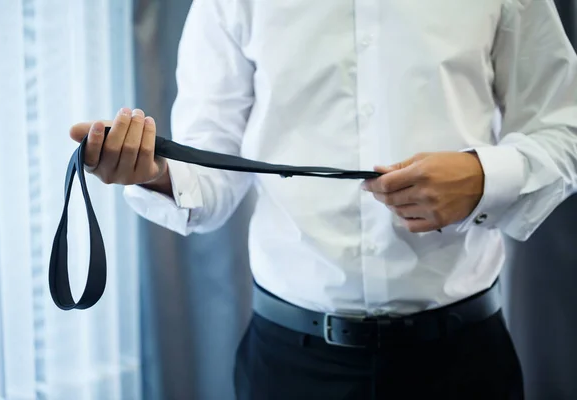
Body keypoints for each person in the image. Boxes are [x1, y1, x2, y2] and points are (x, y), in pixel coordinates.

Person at [69, 0, 577, 398]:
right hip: (289, 367)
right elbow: (210, 176)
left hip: (463, 362)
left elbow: (565, 128)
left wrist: (483, 177)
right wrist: (152, 172)